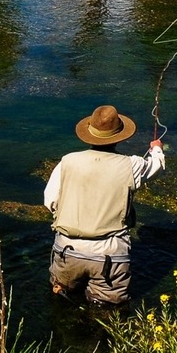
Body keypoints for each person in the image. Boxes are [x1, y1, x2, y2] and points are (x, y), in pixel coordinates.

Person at [43, 104, 165, 305]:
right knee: (106, 310)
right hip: (110, 255)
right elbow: (156, 166)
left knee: (62, 300)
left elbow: (50, 201)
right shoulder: (132, 164)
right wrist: (157, 149)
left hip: (67, 248)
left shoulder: (67, 161)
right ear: (120, 136)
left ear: (89, 133)